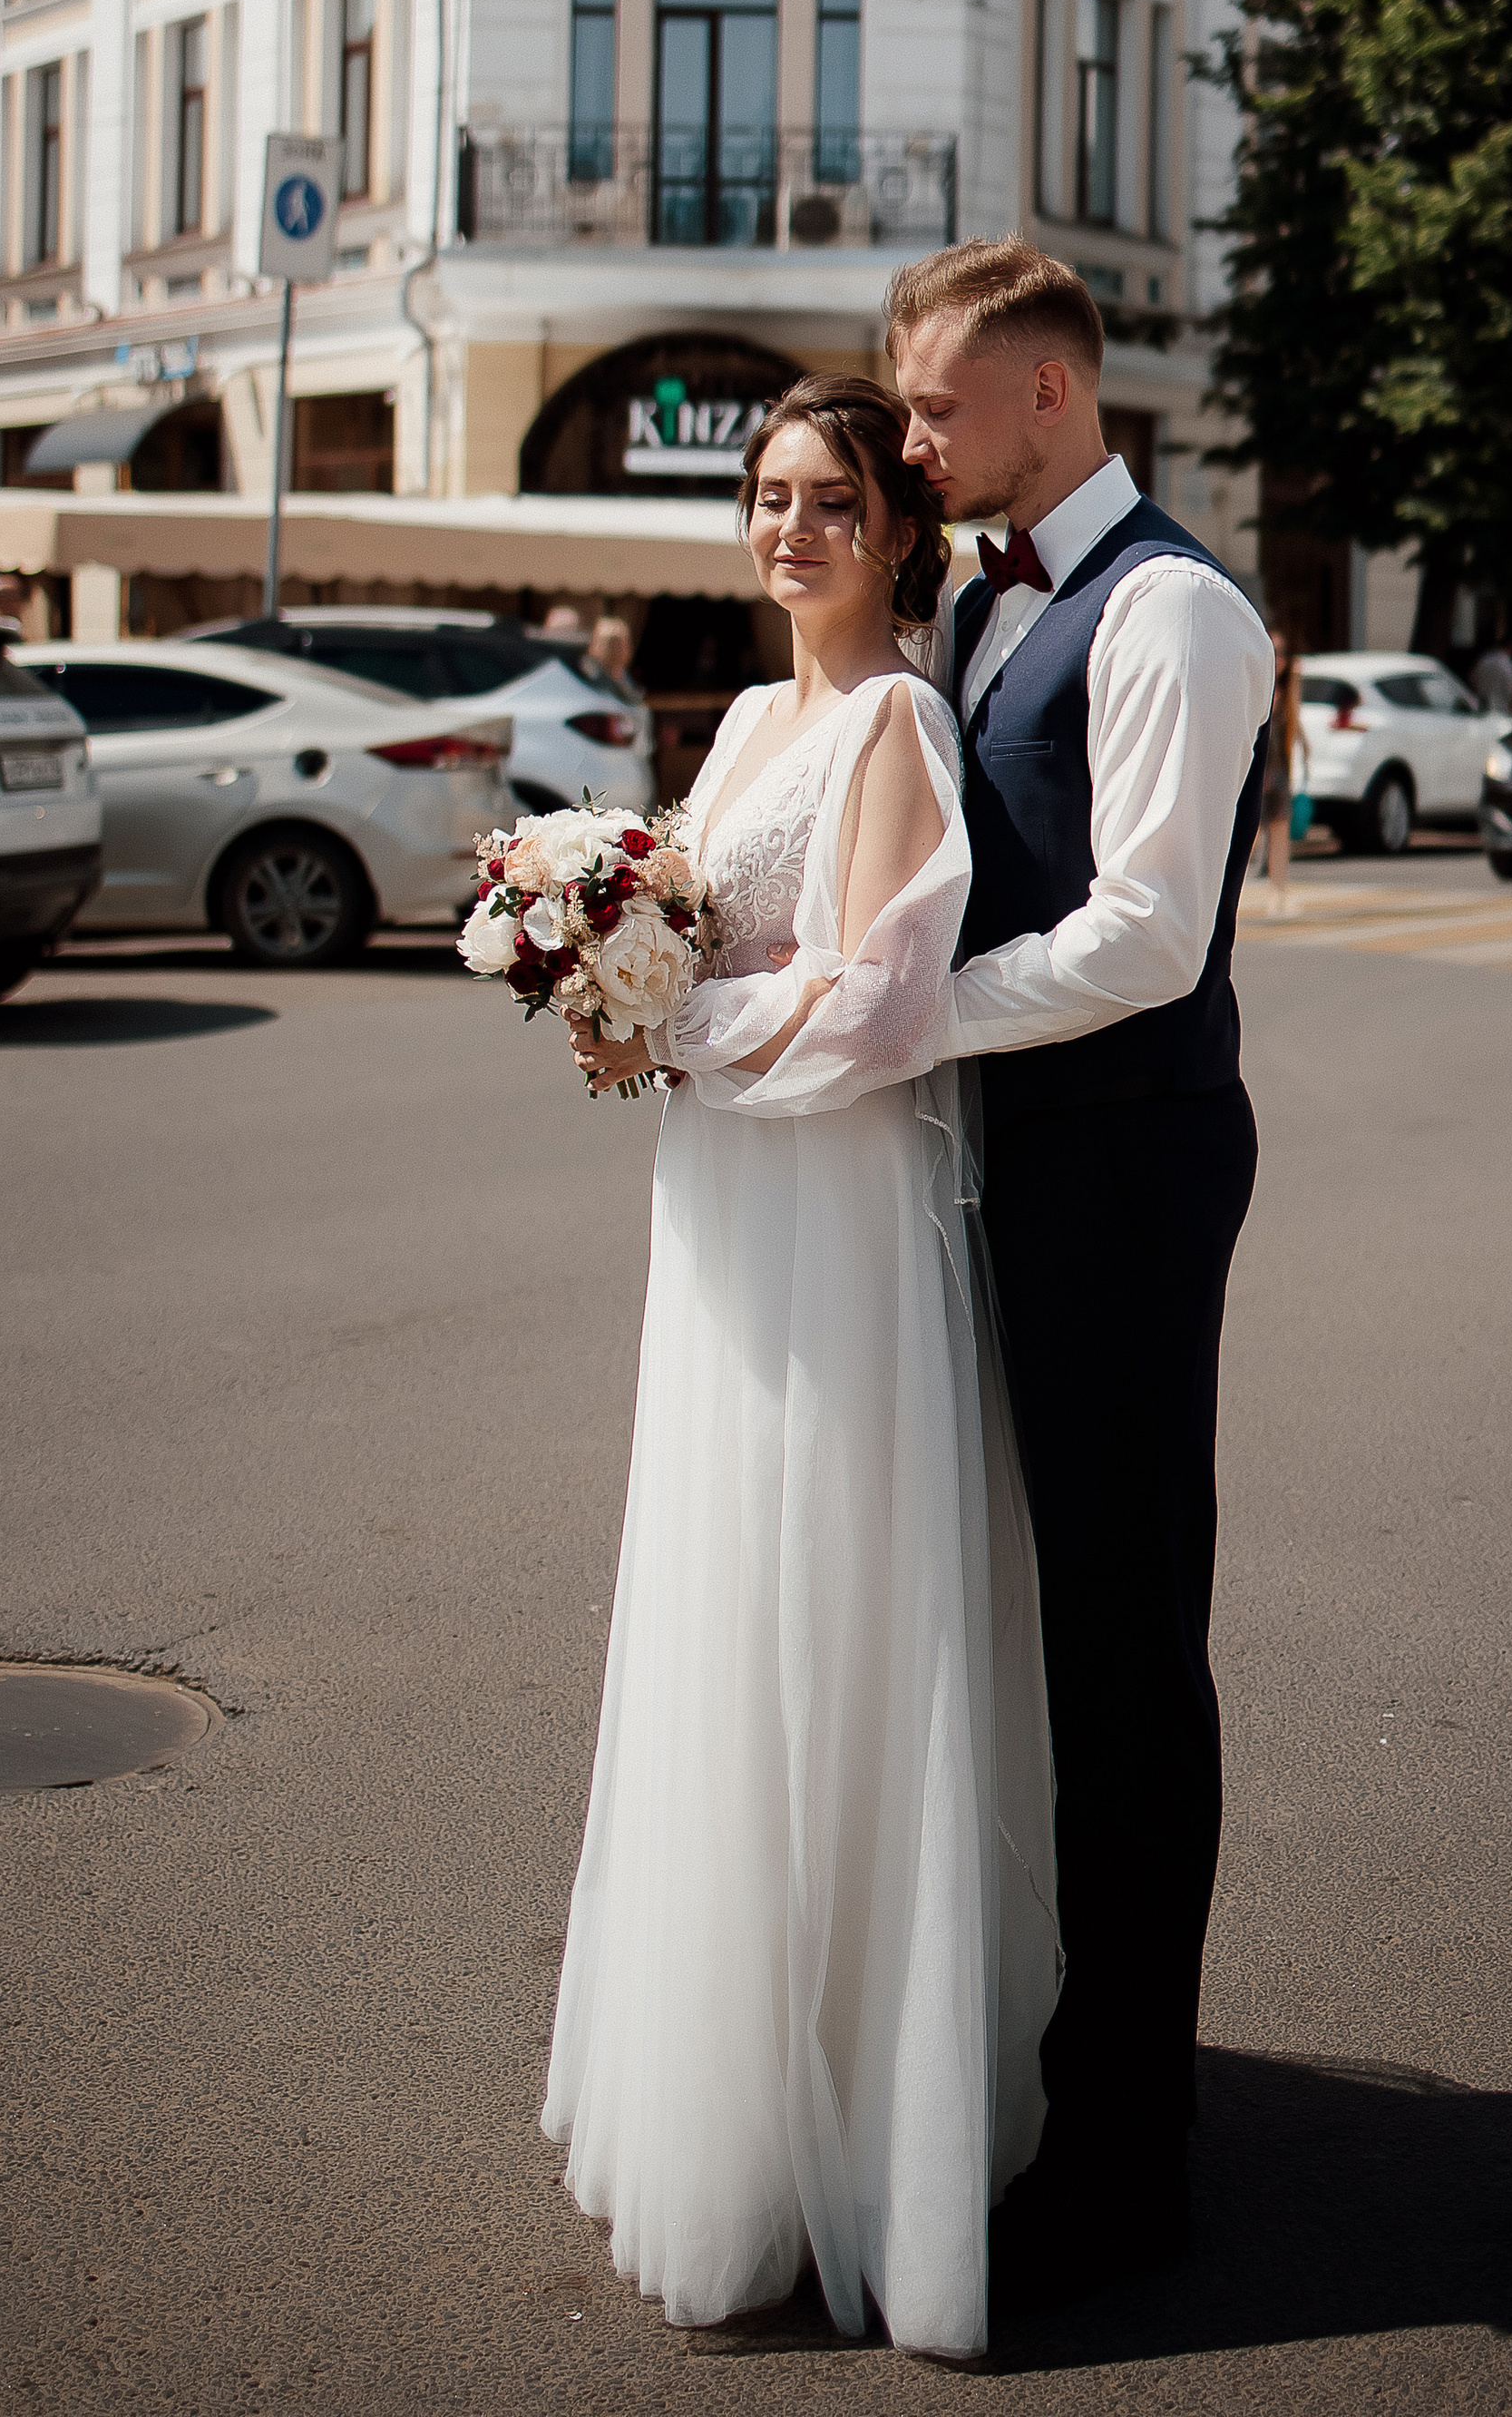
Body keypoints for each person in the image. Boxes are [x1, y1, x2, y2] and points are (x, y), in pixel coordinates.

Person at [542, 373, 1058, 2358]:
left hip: (830, 1214)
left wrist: (662, 1030)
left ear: (892, 529)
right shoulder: (751, 719)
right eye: (766, 497)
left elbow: (874, 1008)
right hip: (719, 1223)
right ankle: (727, 2087)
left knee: (822, 1611)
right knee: (713, 1607)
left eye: (829, 498)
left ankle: (854, 2094)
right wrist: (597, 976)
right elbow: (689, 924)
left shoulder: (895, 725)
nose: (789, 529)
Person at [887, 237, 1273, 2308]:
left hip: (1119, 1167)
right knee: (1024, 1630)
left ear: (1050, 392)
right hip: (997, 1160)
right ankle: (1036, 2052)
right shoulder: (971, 603)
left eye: (938, 403)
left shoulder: (1178, 611)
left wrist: (899, 1016)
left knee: (1125, 1650)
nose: (912, 434)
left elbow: (1141, 933)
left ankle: (1132, 2142)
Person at [1255, 633, 1306, 912]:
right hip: (1255, 768)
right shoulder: (1258, 682)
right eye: (1274, 653)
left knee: (1279, 831)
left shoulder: (1287, 691)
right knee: (1248, 833)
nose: (1279, 661)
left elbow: (1294, 728)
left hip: (1279, 770)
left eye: (1283, 654)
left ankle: (1278, 891)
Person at [1470, 620, 1512, 715]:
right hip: (1501, 707)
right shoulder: (1508, 665)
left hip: (1482, 706)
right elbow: (1510, 689)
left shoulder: (1484, 659)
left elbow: (1472, 679)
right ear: (1511, 647)